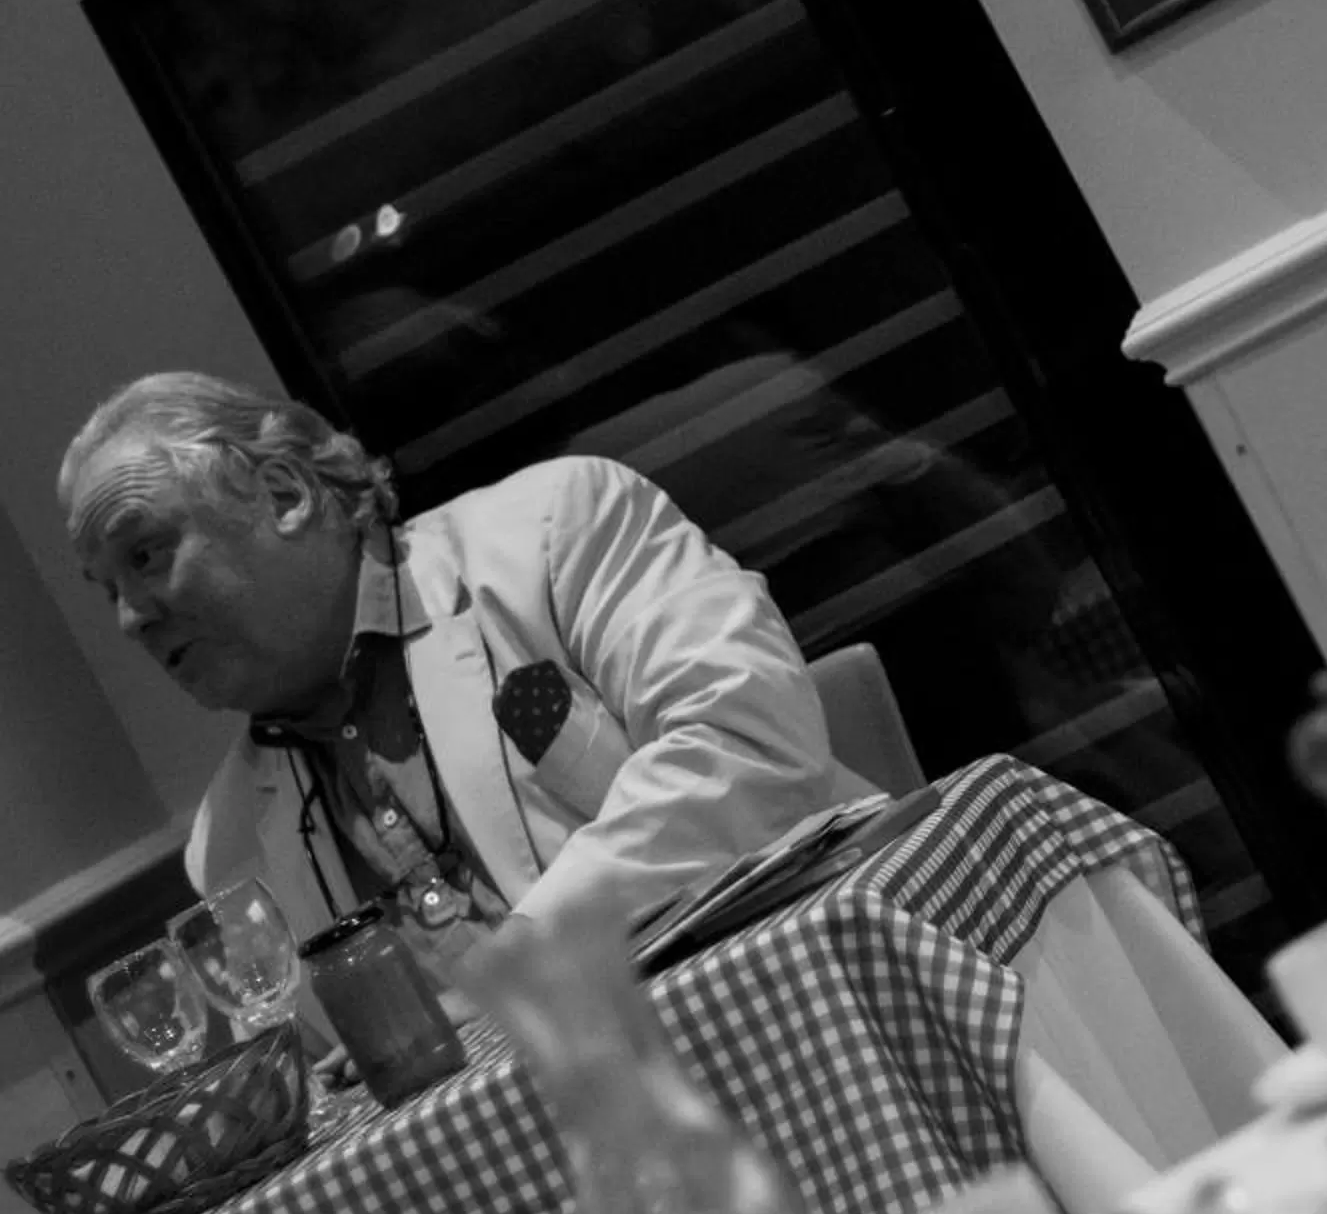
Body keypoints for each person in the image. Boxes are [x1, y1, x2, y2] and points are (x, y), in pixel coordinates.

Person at [58, 372, 855, 975]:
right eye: (108, 590)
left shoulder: (555, 530)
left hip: (809, 982)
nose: (131, 617)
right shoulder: (226, 847)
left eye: (145, 553)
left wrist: (516, 973)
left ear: (283, 493)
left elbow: (747, 747)